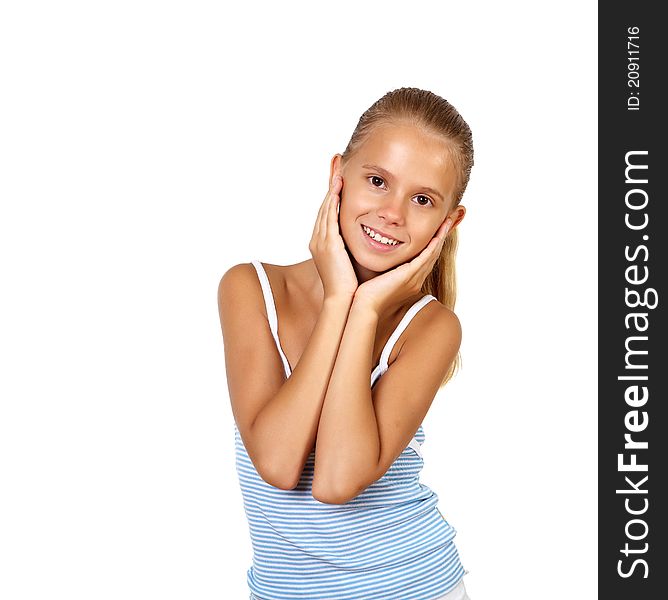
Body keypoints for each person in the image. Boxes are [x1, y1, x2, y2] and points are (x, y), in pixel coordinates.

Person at [218, 87, 474, 600]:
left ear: (450, 221)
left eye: (422, 200)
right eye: (377, 181)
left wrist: (363, 309)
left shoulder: (431, 328)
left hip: (413, 587)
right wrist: (339, 300)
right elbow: (277, 461)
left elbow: (336, 482)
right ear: (338, 175)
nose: (393, 213)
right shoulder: (251, 289)